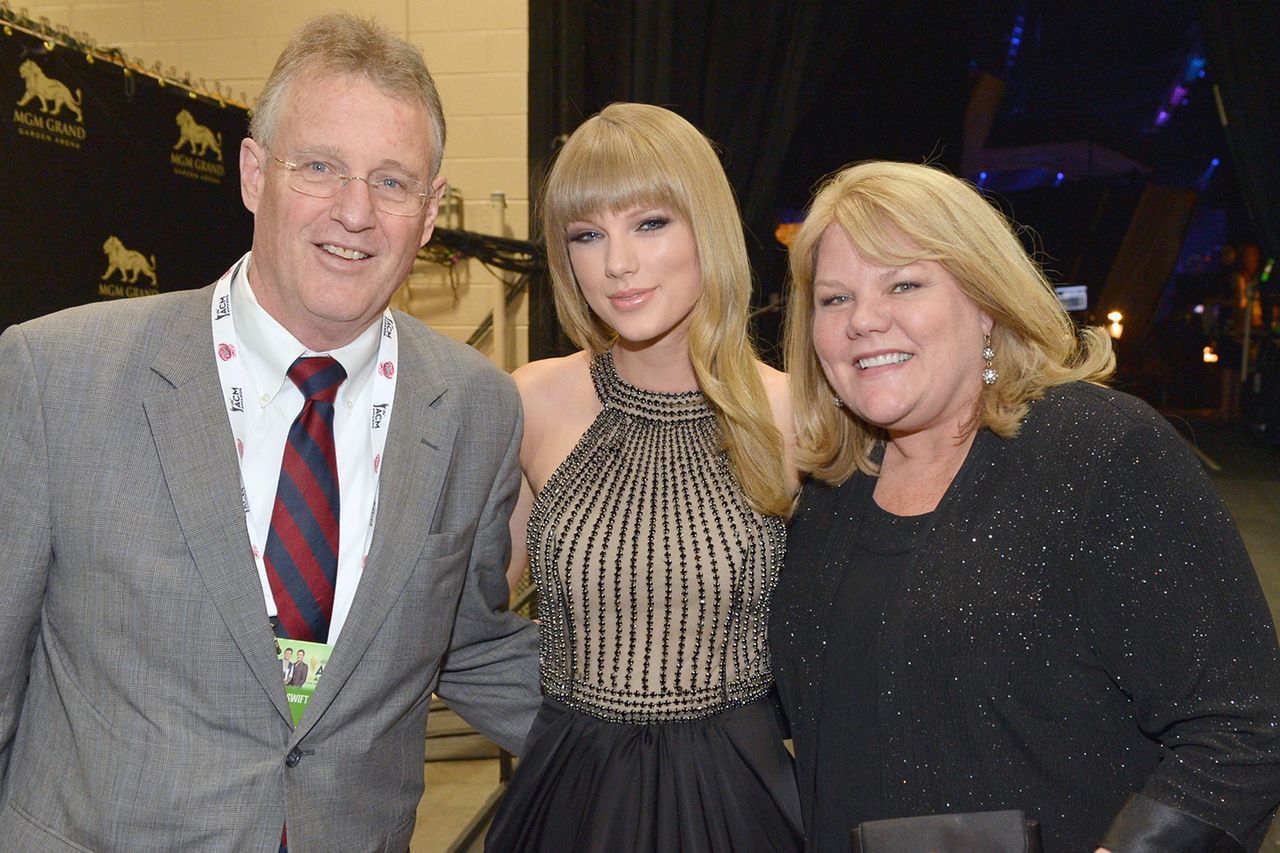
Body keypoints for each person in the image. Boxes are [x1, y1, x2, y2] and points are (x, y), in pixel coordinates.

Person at [0, 12, 539, 851]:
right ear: (254, 173)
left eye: (392, 182)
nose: (355, 212)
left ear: (431, 212)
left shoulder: (475, 408)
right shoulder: (56, 375)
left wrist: (682, 735)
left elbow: (463, 641)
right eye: (319, 166)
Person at [772, 160, 1280, 853]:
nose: (864, 319)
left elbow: (1245, 727)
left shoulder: (1099, 451)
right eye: (834, 299)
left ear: (986, 304)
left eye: (905, 283)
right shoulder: (826, 492)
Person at [485, 102, 803, 851]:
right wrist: (555, 716)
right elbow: (460, 617)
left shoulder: (798, 418)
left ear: (708, 228)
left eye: (650, 223)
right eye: (587, 235)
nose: (616, 263)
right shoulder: (531, 400)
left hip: (739, 799)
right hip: (568, 797)